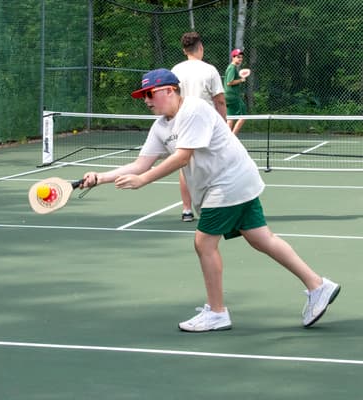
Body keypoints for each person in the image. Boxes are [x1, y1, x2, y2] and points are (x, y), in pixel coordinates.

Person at [80, 68, 340, 332]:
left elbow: (183, 157)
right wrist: (100, 177)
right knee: (262, 239)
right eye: (143, 96)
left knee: (204, 243)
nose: (146, 100)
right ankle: (318, 285)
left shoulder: (193, 109)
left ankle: (217, 313)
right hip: (233, 182)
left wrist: (145, 180)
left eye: (150, 94)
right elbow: (140, 163)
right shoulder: (161, 127)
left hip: (228, 182)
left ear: (170, 91)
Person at [171, 31, 227, 222]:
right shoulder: (210, 70)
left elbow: (171, 99)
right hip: (207, 125)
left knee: (183, 166)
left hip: (182, 123)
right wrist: (224, 126)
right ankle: (213, 208)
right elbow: (219, 101)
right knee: (215, 166)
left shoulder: (175, 70)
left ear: (184, 50)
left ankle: (187, 210)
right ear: (200, 47)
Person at [224, 48, 248, 135]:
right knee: (243, 117)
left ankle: (227, 138)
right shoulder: (232, 68)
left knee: (230, 119)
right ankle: (232, 137)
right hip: (233, 97)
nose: (240, 59)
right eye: (238, 57)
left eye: (241, 57)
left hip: (228, 97)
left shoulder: (231, 67)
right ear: (233, 58)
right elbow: (229, 82)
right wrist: (241, 80)